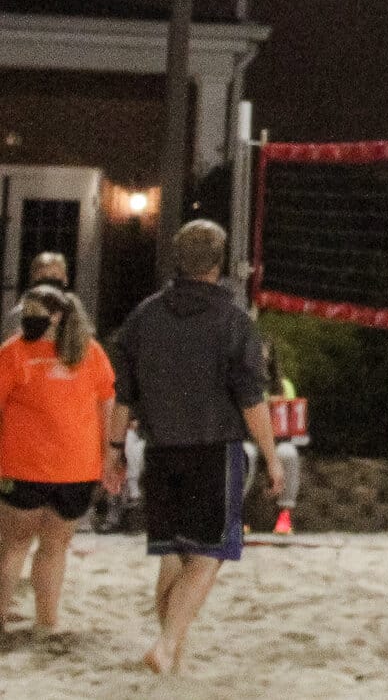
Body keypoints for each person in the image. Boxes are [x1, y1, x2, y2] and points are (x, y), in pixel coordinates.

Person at [108, 218, 284, 676]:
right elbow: (252, 399)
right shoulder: (234, 321)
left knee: (173, 553)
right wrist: (271, 457)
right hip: (213, 451)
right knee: (208, 556)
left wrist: (112, 450)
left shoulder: (143, 316)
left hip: (160, 451)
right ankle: (167, 645)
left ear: (177, 260)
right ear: (220, 264)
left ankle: (173, 656)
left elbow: (122, 394)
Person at [0, 286, 113, 634]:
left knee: (14, 546)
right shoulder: (89, 352)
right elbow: (106, 403)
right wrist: (107, 453)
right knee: (54, 548)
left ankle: (4, 616)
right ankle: (46, 622)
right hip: (76, 470)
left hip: (24, 467)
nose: (27, 318)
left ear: (56, 315)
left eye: (33, 311)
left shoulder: (14, 352)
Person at [240, 335, 303, 535]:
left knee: (289, 454)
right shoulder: (243, 384)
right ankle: (237, 514)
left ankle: (285, 514)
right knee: (245, 454)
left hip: (279, 440)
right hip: (250, 439)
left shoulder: (285, 386)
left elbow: (291, 415)